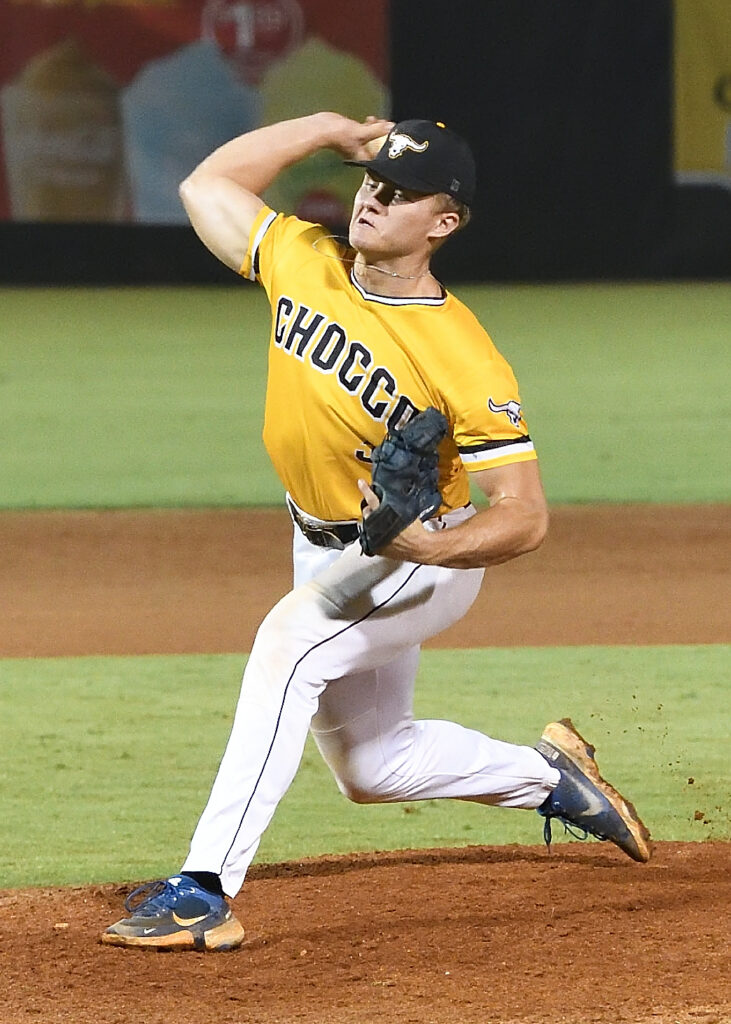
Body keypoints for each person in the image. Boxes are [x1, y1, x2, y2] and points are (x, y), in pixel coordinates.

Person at [102, 113, 651, 952]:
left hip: (409, 551)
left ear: (443, 222)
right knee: (372, 767)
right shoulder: (302, 259)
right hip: (320, 540)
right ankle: (547, 778)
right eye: (371, 182)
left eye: (398, 194)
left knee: (286, 647)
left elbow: (525, 513)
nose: (372, 200)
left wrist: (429, 549)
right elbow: (205, 186)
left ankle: (204, 889)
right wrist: (323, 128)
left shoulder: (464, 356)